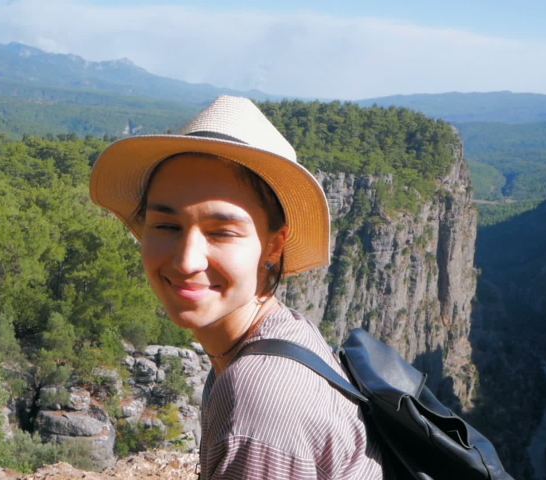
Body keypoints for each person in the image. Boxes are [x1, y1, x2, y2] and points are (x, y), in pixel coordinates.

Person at [89, 96, 385, 479]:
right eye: (166, 226)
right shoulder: (284, 334)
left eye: (222, 232)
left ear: (274, 245)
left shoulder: (259, 397)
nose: (186, 261)